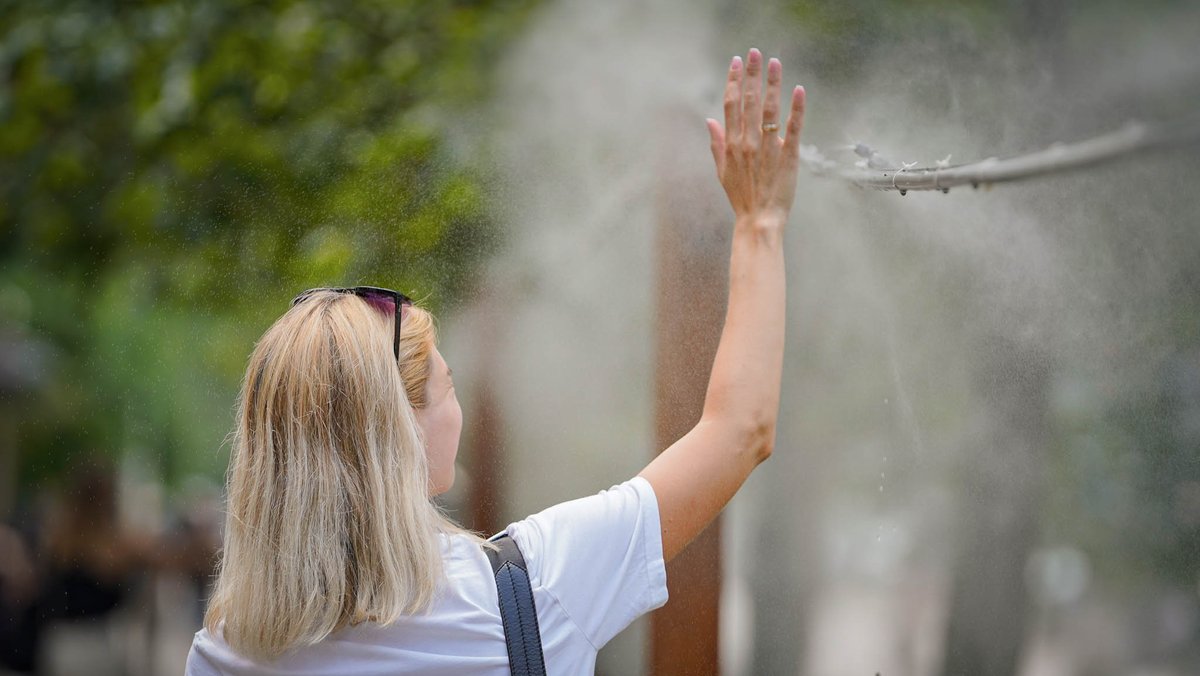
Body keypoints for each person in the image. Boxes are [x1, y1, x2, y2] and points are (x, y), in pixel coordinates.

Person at [185, 48, 805, 675]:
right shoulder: (535, 591)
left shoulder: (224, 652)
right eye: (447, 387)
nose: (460, 403)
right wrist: (760, 223)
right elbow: (738, 430)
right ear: (401, 433)